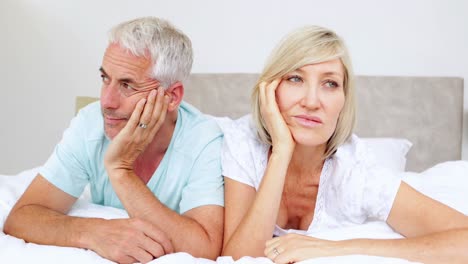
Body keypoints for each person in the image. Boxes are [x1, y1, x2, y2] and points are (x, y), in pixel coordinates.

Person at [220, 25, 468, 264]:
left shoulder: (356, 171)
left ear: (343, 101)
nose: (311, 101)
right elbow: (239, 259)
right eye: (295, 78)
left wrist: (334, 248)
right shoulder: (243, 142)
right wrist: (282, 152)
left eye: (330, 83)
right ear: (270, 90)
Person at [4, 17, 224, 263]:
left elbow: (205, 249)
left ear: (172, 97)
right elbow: (22, 217)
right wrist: (93, 232)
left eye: (127, 86)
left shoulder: (204, 139)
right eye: (105, 78)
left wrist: (121, 170)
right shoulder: (89, 122)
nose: (107, 102)